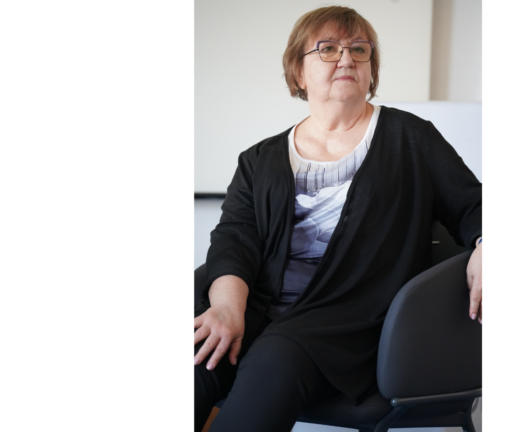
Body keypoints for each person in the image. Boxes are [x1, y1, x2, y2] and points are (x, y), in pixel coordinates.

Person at [192, 6, 483, 432]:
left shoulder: (411, 138)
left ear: (370, 69)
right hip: (256, 308)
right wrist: (225, 309)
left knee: (275, 358)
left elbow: (473, 205)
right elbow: (235, 240)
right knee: (201, 354)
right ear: (298, 72)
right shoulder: (259, 159)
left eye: (359, 50)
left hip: (346, 321)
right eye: (328, 49)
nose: (346, 58)